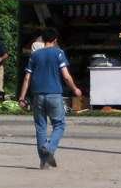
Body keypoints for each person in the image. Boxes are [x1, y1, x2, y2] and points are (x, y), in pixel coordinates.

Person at [17, 27, 82, 169]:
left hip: (38, 96)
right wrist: (74, 89)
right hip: (54, 95)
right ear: (55, 40)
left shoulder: (35, 55)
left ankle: (44, 163)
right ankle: (50, 147)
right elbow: (65, 75)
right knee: (59, 125)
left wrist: (22, 97)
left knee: (41, 128)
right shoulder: (59, 53)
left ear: (42, 39)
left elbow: (27, 78)